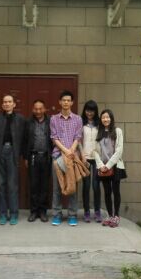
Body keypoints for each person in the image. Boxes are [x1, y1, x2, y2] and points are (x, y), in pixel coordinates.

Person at [0, 94, 26, 225]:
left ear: (14, 104)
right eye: (5, 102)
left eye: (9, 102)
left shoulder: (20, 119)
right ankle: (3, 214)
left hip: (13, 153)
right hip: (0, 152)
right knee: (0, 185)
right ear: (2, 104)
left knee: (12, 186)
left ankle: (14, 214)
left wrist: (22, 155)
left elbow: (24, 138)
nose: (7, 104)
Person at [49, 90, 83, 226]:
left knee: (72, 187)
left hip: (72, 157)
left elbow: (78, 137)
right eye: (64, 100)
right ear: (60, 102)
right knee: (57, 187)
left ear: (72, 102)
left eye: (68, 100)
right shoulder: (54, 119)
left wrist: (71, 151)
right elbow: (54, 138)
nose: (66, 102)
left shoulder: (78, 119)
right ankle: (57, 214)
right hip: (58, 156)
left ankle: (72, 215)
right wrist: (65, 151)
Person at [94, 109, 126, 228]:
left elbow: (119, 150)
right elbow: (95, 151)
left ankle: (116, 216)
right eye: (103, 117)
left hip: (115, 166)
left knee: (116, 191)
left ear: (111, 118)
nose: (105, 119)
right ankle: (110, 215)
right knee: (107, 192)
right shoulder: (98, 132)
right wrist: (101, 165)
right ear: (101, 119)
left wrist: (108, 166)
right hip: (102, 167)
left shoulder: (117, 131)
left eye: (107, 117)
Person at [25, 99, 52, 222]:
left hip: (46, 156)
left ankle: (43, 211)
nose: (38, 111)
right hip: (33, 157)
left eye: (40, 108)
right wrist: (26, 157)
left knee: (44, 186)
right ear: (33, 109)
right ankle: (34, 211)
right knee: (34, 185)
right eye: (36, 109)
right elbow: (25, 140)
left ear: (44, 109)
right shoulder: (28, 122)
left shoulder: (50, 121)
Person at [80, 100, 102, 223]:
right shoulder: (81, 123)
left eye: (92, 110)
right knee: (86, 185)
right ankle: (87, 211)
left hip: (97, 159)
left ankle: (97, 211)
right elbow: (78, 141)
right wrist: (82, 155)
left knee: (96, 185)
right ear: (85, 110)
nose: (89, 113)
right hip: (85, 158)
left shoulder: (99, 124)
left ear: (95, 111)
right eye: (88, 110)